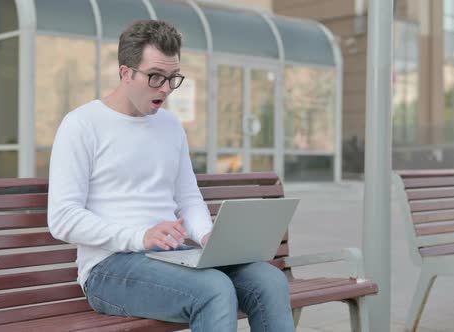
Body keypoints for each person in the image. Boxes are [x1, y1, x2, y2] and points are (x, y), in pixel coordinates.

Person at [47, 19, 294, 332]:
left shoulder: (170, 126)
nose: (165, 88)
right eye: (155, 77)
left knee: (269, 280)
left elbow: (187, 197)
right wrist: (140, 236)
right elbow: (63, 218)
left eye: (172, 78)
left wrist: (207, 237)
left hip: (173, 257)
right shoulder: (82, 124)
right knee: (213, 288)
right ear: (126, 73)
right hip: (109, 267)